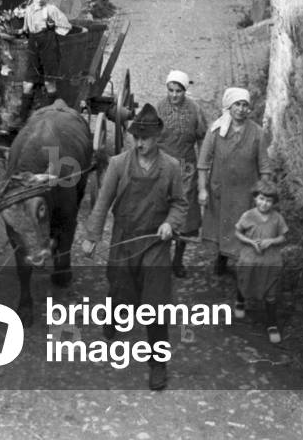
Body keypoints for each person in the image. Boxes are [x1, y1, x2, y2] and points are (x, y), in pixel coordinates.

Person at [82, 103, 187, 391]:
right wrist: (92, 236)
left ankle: (157, 363)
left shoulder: (171, 167)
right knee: (119, 287)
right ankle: (116, 314)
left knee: (155, 306)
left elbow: (179, 203)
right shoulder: (118, 164)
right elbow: (102, 202)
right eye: (136, 138)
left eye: (146, 138)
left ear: (157, 138)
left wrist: (170, 223)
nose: (140, 143)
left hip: (155, 243)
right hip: (123, 240)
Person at [197, 87, 271, 283]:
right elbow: (203, 162)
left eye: (245, 105)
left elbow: (264, 165)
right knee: (222, 224)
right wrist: (202, 189)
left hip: (247, 192)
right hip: (221, 189)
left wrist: (264, 191)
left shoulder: (257, 133)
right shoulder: (216, 130)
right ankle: (221, 257)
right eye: (237, 104)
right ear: (229, 107)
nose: (241, 109)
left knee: (245, 226)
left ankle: (243, 265)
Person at [155, 69, 207, 278]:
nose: (174, 95)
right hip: (163, 167)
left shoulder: (195, 110)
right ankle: (160, 259)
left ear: (185, 91)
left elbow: (203, 137)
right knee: (161, 211)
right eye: (171, 90)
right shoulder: (159, 108)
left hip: (186, 167)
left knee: (183, 215)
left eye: (179, 91)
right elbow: (150, 137)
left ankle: (177, 260)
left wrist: (203, 164)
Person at [235, 180, 288, 343]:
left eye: (269, 201)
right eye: (261, 199)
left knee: (270, 290)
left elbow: (283, 236)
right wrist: (250, 242)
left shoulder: (277, 218)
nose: (264, 204)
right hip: (250, 257)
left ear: (273, 203)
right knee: (245, 279)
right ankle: (240, 300)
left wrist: (271, 241)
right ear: (255, 199)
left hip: (270, 259)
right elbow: (238, 232)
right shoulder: (248, 216)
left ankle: (272, 324)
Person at [12, 0, 71, 107]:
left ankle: (52, 112)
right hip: (33, 45)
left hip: (48, 46)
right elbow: (26, 28)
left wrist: (52, 28)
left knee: (49, 82)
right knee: (28, 83)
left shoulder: (51, 10)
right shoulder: (29, 9)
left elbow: (66, 26)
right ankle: (22, 117)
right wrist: (16, 32)